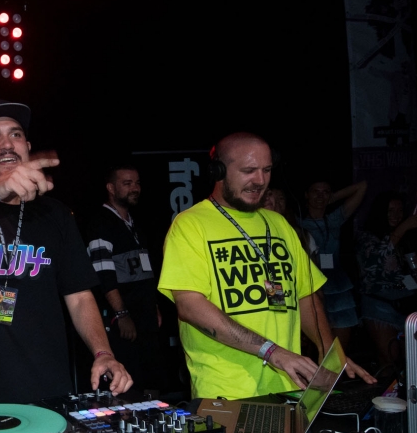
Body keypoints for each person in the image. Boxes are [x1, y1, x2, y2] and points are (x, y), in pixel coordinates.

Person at [0, 99, 131, 411]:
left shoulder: (56, 214)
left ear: (28, 148)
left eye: (15, 134)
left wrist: (103, 353)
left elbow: (79, 296)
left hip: (46, 392)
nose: (6, 144)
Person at [157, 132, 375, 399]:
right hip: (227, 392)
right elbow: (190, 306)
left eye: (267, 170)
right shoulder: (190, 225)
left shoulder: (279, 224)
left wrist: (330, 352)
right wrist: (271, 351)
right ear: (218, 171)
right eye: (249, 171)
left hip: (290, 386)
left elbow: (305, 295)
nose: (260, 181)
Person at [86, 164, 164, 391]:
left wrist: (153, 306)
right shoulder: (100, 223)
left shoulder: (135, 222)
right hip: (124, 321)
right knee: (129, 383)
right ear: (111, 188)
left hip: (145, 317)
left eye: (137, 183)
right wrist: (121, 314)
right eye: (127, 183)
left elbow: (145, 270)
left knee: (153, 380)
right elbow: (103, 275)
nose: (135, 188)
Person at [356, 192, 417, 366]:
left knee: (410, 360)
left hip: (406, 304)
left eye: (400, 210)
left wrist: (416, 270)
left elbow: (407, 275)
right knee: (390, 359)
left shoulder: (405, 238)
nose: (396, 215)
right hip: (379, 304)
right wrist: (403, 227)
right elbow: (377, 260)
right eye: (390, 210)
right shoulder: (367, 237)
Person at [301, 180, 368, 349]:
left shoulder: (334, 220)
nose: (320, 196)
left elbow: (362, 186)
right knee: (315, 349)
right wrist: (325, 196)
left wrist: (332, 198)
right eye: (316, 191)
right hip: (312, 287)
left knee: (339, 352)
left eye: (325, 191)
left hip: (338, 287)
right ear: (306, 195)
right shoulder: (297, 224)